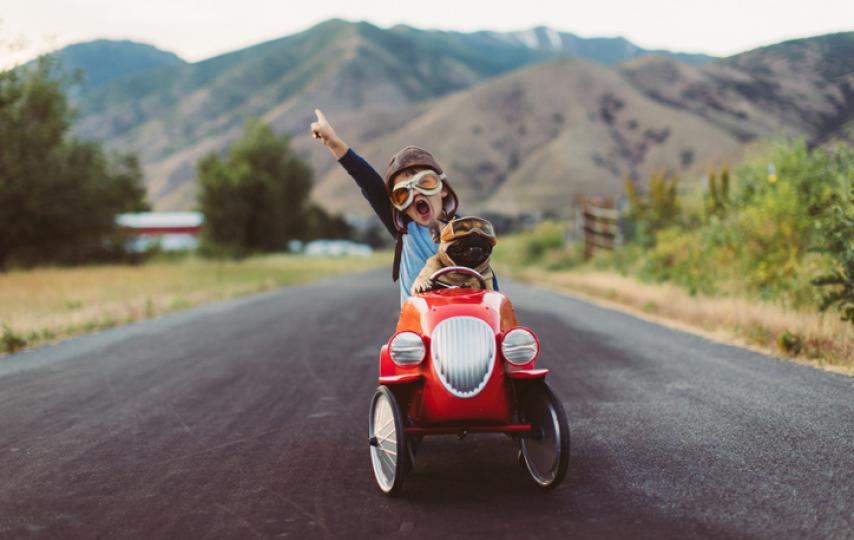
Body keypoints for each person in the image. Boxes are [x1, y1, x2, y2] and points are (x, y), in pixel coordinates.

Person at [310, 109, 497, 305]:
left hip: (462, 318)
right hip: (417, 327)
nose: (416, 193)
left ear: (443, 188)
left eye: (425, 183)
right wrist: (333, 142)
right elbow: (370, 184)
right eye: (403, 194)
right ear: (399, 205)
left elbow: (487, 276)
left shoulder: (466, 230)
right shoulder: (405, 228)